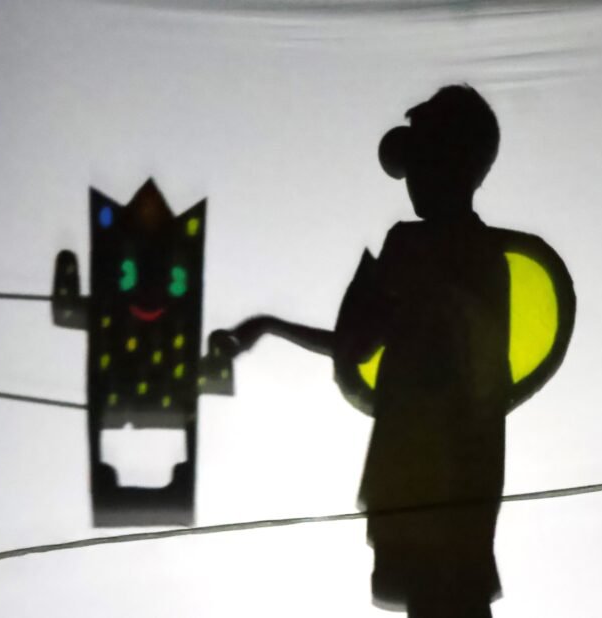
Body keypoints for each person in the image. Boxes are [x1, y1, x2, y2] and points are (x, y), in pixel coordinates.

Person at [211, 84, 574, 618]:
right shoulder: (489, 258)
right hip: (468, 477)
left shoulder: (412, 246)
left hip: (416, 471)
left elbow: (357, 345)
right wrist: (270, 326)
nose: (412, 181)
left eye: (420, 163)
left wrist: (269, 326)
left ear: (450, 164)